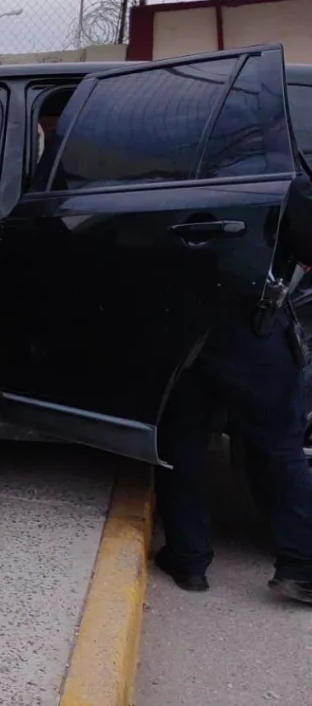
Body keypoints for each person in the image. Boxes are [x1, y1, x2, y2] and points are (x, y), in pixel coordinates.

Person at [154, 173, 312, 603]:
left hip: (194, 321)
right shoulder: (285, 172)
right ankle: (302, 566)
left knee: (181, 440)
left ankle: (189, 560)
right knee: (278, 444)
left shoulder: (198, 170)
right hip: (253, 318)